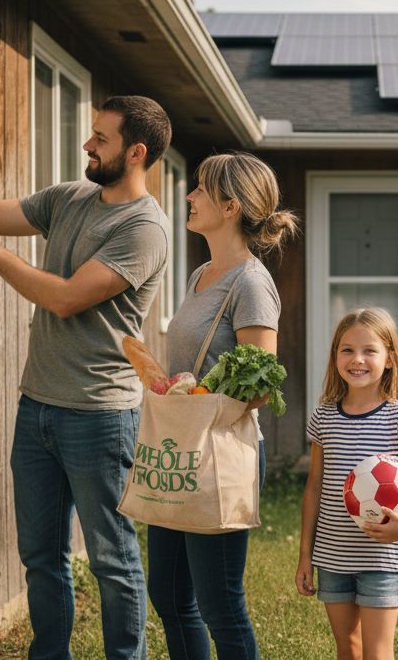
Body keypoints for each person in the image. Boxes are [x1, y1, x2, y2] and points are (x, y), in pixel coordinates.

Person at [0, 96, 171, 659]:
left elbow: (65, 299)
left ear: (135, 153)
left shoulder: (144, 230)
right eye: (91, 134)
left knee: (112, 560)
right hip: (37, 408)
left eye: (101, 139)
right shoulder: (71, 198)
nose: (88, 145)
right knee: (40, 556)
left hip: (100, 417)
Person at [146, 152, 299, 660]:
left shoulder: (250, 283)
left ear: (231, 206)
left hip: (218, 455)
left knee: (219, 603)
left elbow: (261, 383)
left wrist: (198, 392)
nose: (188, 197)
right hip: (181, 450)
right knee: (168, 595)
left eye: (200, 190)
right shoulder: (201, 275)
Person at [295, 307, 398, 660]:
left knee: (377, 653)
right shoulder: (323, 417)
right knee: (347, 649)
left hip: (382, 558)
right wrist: (306, 555)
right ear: (335, 356)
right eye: (347, 349)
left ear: (390, 359)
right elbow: (314, 488)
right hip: (333, 557)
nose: (357, 360)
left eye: (370, 350)